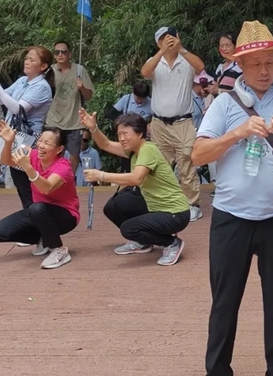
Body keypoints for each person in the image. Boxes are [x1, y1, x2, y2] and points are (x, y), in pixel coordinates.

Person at [192, 20, 273, 376]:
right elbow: (198, 154)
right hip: (231, 218)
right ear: (240, 66)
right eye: (255, 64)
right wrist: (237, 133)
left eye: (269, 62)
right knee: (224, 302)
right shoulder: (224, 104)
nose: (264, 70)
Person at [80, 110, 191, 266]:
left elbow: (136, 178)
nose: (122, 138)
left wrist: (101, 176)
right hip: (155, 207)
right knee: (113, 207)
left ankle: (171, 243)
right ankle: (143, 242)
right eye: (119, 134)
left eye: (126, 133)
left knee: (129, 229)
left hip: (175, 213)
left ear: (140, 134)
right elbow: (106, 144)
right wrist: (93, 128)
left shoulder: (147, 149)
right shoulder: (134, 151)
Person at [0, 122, 80, 269]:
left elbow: (46, 188)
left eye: (47, 143)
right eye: (40, 141)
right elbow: (6, 161)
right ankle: (44, 238)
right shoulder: (33, 155)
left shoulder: (63, 166)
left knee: (37, 208)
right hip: (38, 213)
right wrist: (8, 142)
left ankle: (59, 250)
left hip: (66, 217)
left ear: (59, 149)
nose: (41, 146)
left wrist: (28, 167)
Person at [141, 27, 205, 222]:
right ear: (158, 42)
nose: (169, 40)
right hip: (159, 123)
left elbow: (200, 66)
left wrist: (181, 49)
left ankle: (192, 204)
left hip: (183, 122)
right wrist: (162, 52)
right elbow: (144, 72)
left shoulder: (186, 60)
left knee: (187, 163)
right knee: (161, 165)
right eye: (163, 38)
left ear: (178, 38)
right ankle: (164, 203)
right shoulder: (155, 62)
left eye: (172, 37)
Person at [0, 46, 55, 209]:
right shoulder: (22, 80)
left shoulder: (42, 86)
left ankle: (36, 217)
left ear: (43, 66)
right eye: (26, 58)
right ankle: (32, 216)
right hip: (16, 137)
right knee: (20, 183)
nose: (27, 62)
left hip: (30, 139)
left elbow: (18, 108)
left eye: (32, 59)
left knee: (27, 184)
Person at [46, 41, 95, 172]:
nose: (60, 54)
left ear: (70, 54)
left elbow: (89, 96)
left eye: (64, 51)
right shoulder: (50, 71)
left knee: (74, 154)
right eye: (57, 52)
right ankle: (53, 177)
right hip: (54, 120)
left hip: (74, 121)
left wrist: (82, 87)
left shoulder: (79, 70)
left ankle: (69, 179)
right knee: (53, 152)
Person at [107, 80, 153, 173]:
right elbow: (111, 114)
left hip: (142, 139)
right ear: (133, 93)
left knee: (141, 162)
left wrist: (150, 125)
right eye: (138, 98)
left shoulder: (151, 103)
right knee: (127, 163)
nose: (140, 101)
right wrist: (123, 122)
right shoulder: (126, 99)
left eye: (142, 99)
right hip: (127, 137)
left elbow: (158, 118)